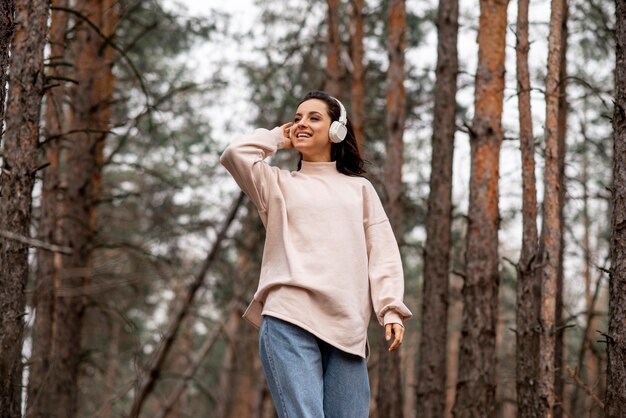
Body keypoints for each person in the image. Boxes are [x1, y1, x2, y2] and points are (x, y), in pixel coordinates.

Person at [220, 90, 412, 417]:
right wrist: (278, 137)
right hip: (289, 318)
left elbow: (382, 252)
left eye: (314, 117)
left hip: (347, 330)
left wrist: (390, 308)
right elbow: (235, 154)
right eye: (297, 118)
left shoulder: (360, 190)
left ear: (336, 130)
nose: (302, 124)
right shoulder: (276, 185)